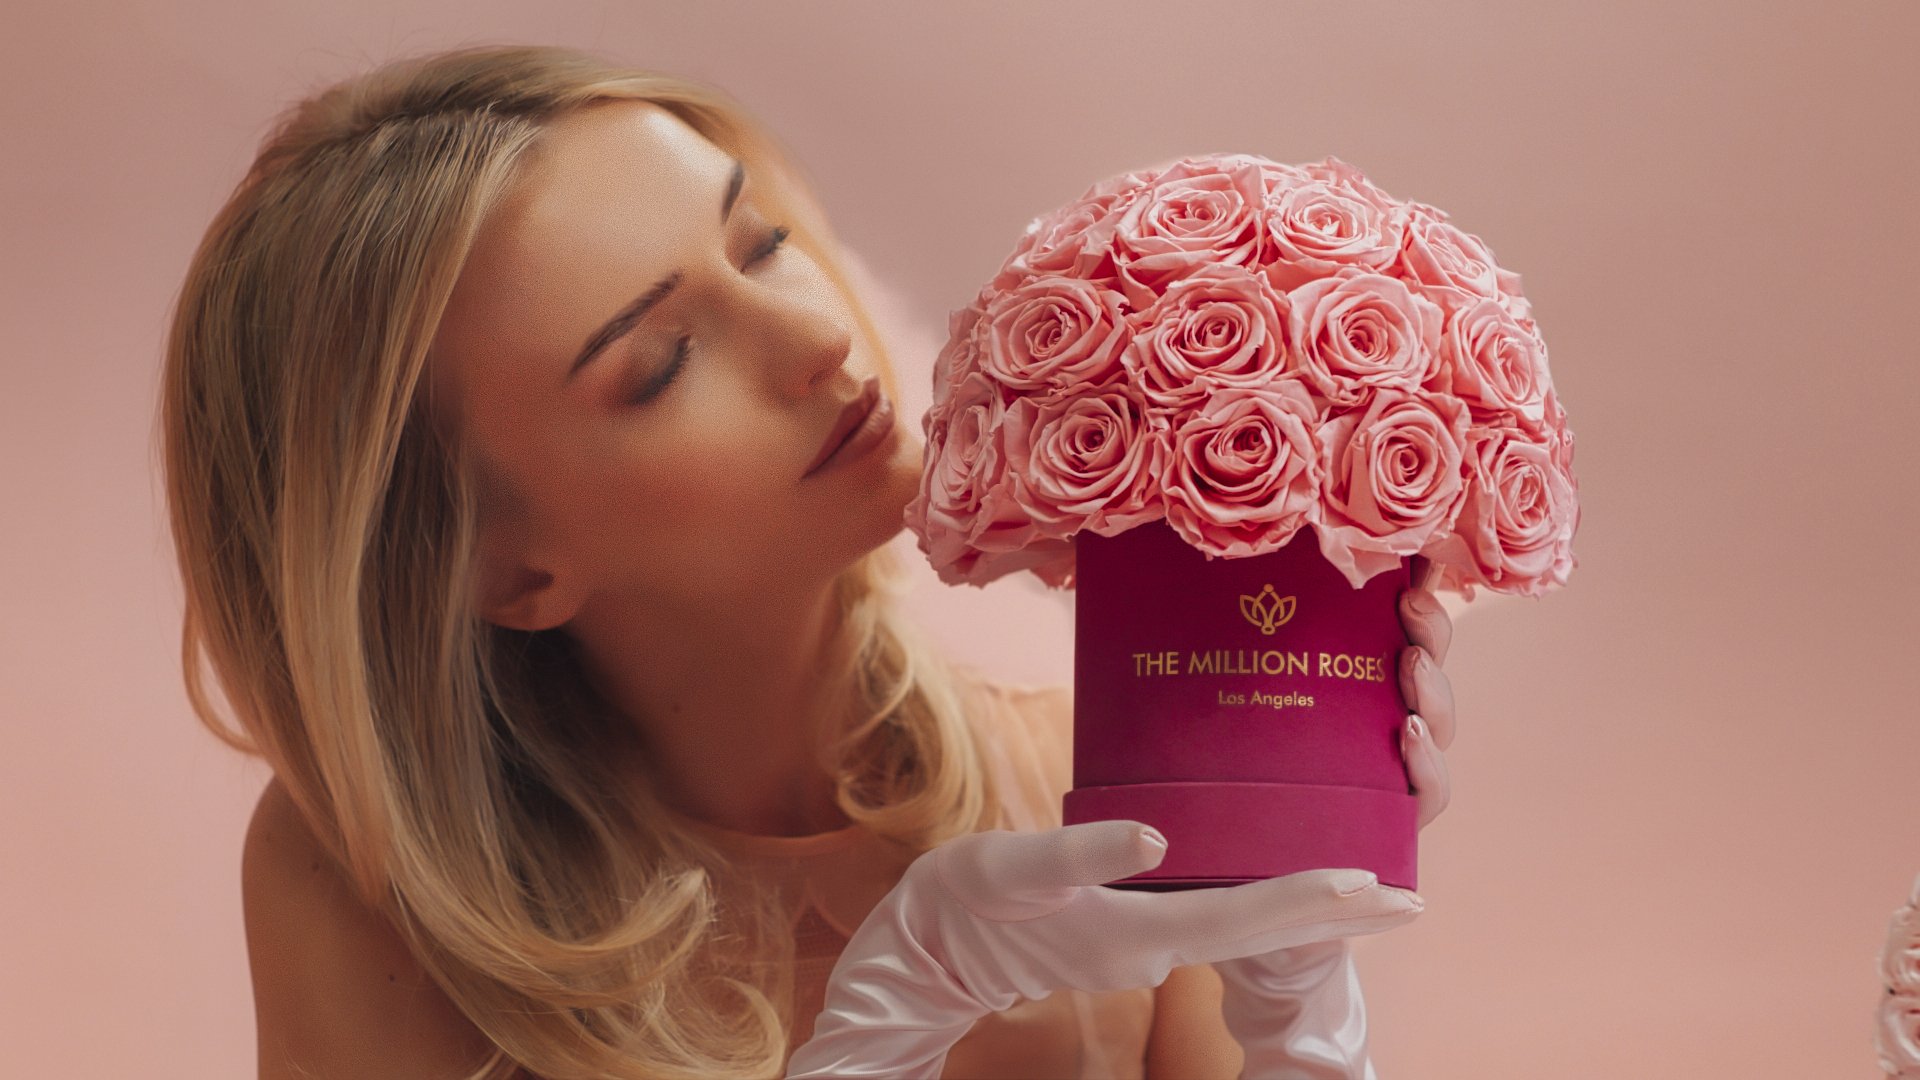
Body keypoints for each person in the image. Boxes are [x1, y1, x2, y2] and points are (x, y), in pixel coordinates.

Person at [159, 43, 1456, 1079]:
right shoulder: (372, 896)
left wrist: (1299, 1001)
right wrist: (889, 1025)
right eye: (658, 365)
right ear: (503, 571)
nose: (813, 338)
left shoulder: (1091, 780)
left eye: (760, 242)